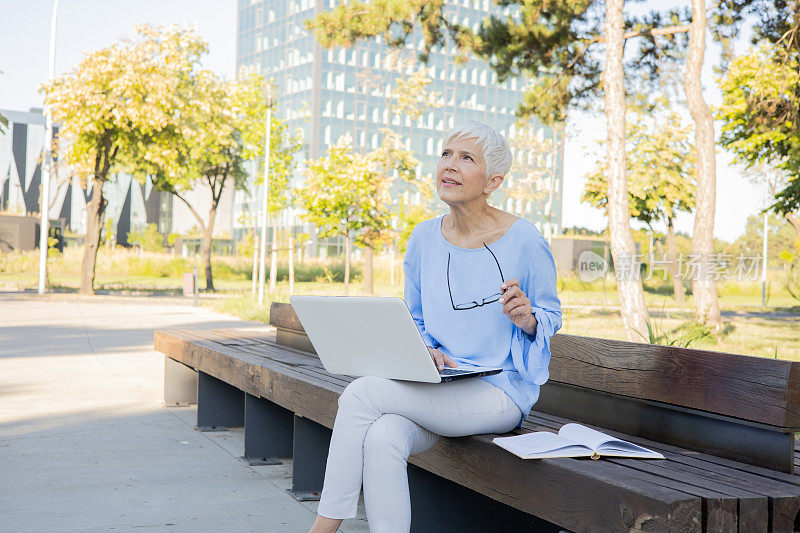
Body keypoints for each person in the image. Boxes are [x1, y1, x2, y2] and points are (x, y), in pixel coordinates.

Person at [308, 121, 562, 533]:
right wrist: (422, 349)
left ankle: (323, 528)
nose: (450, 165)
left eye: (466, 158)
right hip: (440, 383)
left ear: (493, 181)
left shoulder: (525, 240)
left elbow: (549, 318)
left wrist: (528, 320)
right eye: (446, 154)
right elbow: (417, 318)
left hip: (499, 392)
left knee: (362, 394)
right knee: (383, 436)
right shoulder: (423, 238)